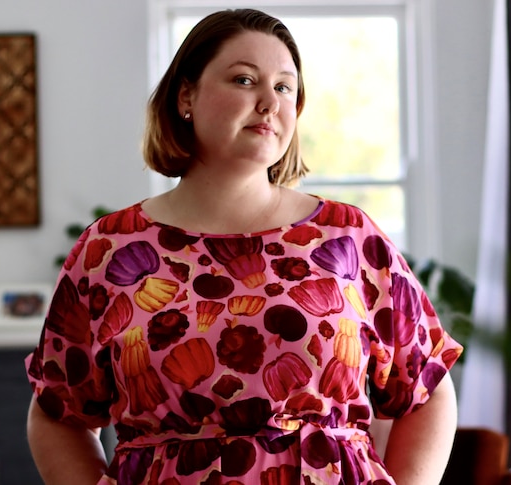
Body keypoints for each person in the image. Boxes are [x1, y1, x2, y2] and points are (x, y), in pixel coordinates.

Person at [25, 8, 462, 485]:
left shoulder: (347, 236)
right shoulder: (110, 249)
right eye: (244, 80)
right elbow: (57, 411)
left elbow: (427, 389)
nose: (269, 103)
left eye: (284, 87)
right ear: (185, 95)